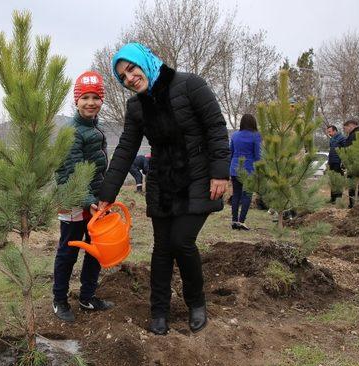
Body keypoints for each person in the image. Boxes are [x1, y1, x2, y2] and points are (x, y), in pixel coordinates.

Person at [97, 43, 230, 335]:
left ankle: (196, 302)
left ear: (145, 61)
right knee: (161, 249)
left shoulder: (190, 85)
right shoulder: (136, 108)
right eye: (122, 77)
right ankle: (159, 311)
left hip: (197, 178)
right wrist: (107, 195)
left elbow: (216, 127)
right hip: (163, 184)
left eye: (131, 68)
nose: (130, 78)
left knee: (182, 241)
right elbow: (125, 152)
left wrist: (220, 172)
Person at [52, 71, 114, 323]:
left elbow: (97, 169)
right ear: (76, 101)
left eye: (96, 97)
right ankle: (59, 300)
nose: (91, 102)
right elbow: (71, 172)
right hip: (74, 200)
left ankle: (87, 296)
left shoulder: (95, 127)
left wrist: (102, 197)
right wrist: (88, 199)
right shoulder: (72, 132)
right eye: (85, 97)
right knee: (68, 251)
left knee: (96, 249)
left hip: (95, 201)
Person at [229, 114, 261, 230]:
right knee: (247, 195)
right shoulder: (256, 136)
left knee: (236, 194)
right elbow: (258, 155)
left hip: (235, 168)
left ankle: (234, 221)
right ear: (253, 123)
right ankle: (241, 221)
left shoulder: (235, 135)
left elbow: (230, 152)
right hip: (249, 169)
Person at [326, 124, 346, 203]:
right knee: (332, 180)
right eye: (328, 132)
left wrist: (343, 161)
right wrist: (328, 162)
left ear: (335, 131)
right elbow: (331, 151)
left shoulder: (342, 138)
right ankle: (333, 198)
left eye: (330, 131)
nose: (329, 133)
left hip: (338, 162)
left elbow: (346, 150)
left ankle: (338, 198)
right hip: (332, 162)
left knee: (338, 180)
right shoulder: (331, 139)